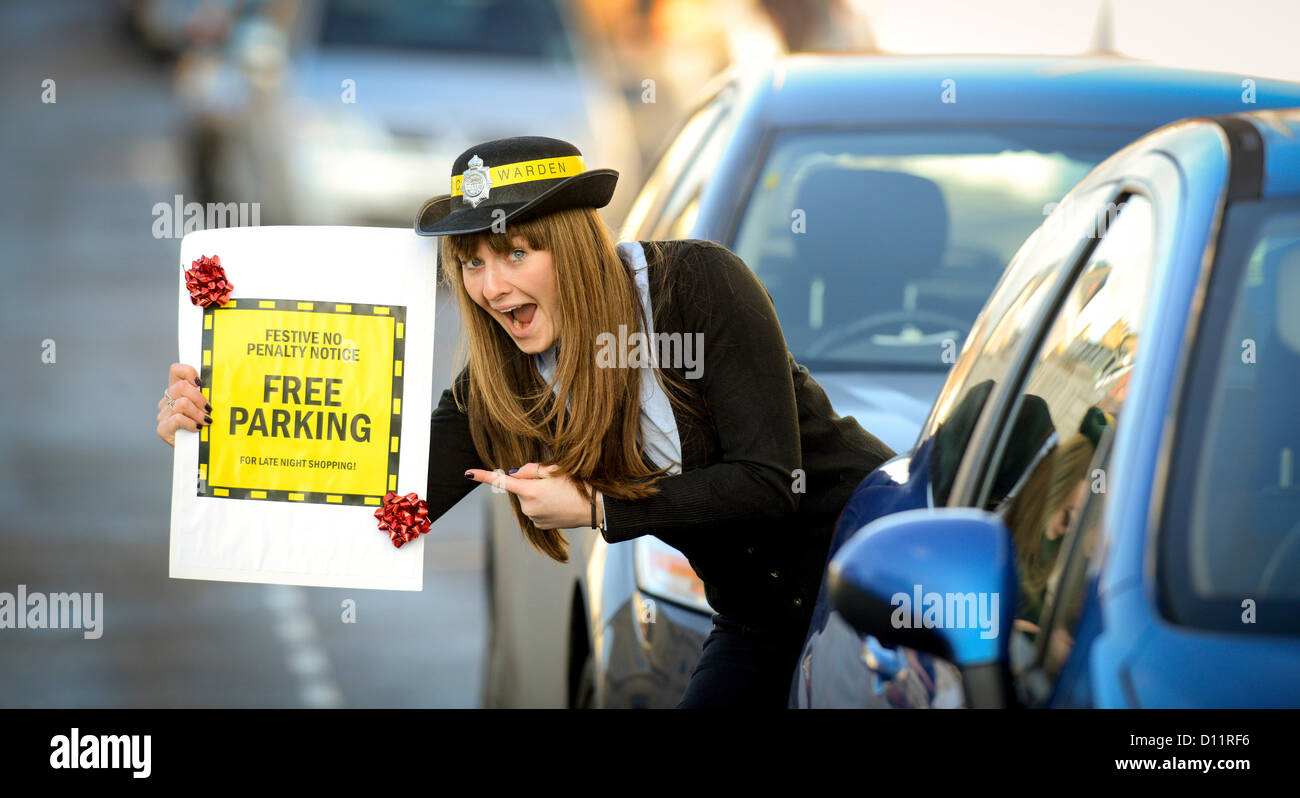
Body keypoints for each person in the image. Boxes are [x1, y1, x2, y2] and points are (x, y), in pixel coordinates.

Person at [156, 135, 895, 708]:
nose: (491, 285)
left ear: (571, 248)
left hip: (883, 571)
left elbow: (771, 484)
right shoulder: (504, 381)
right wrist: (218, 429)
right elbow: (385, 510)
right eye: (472, 262)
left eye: (515, 251)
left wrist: (603, 507)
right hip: (761, 619)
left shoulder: (696, 286)